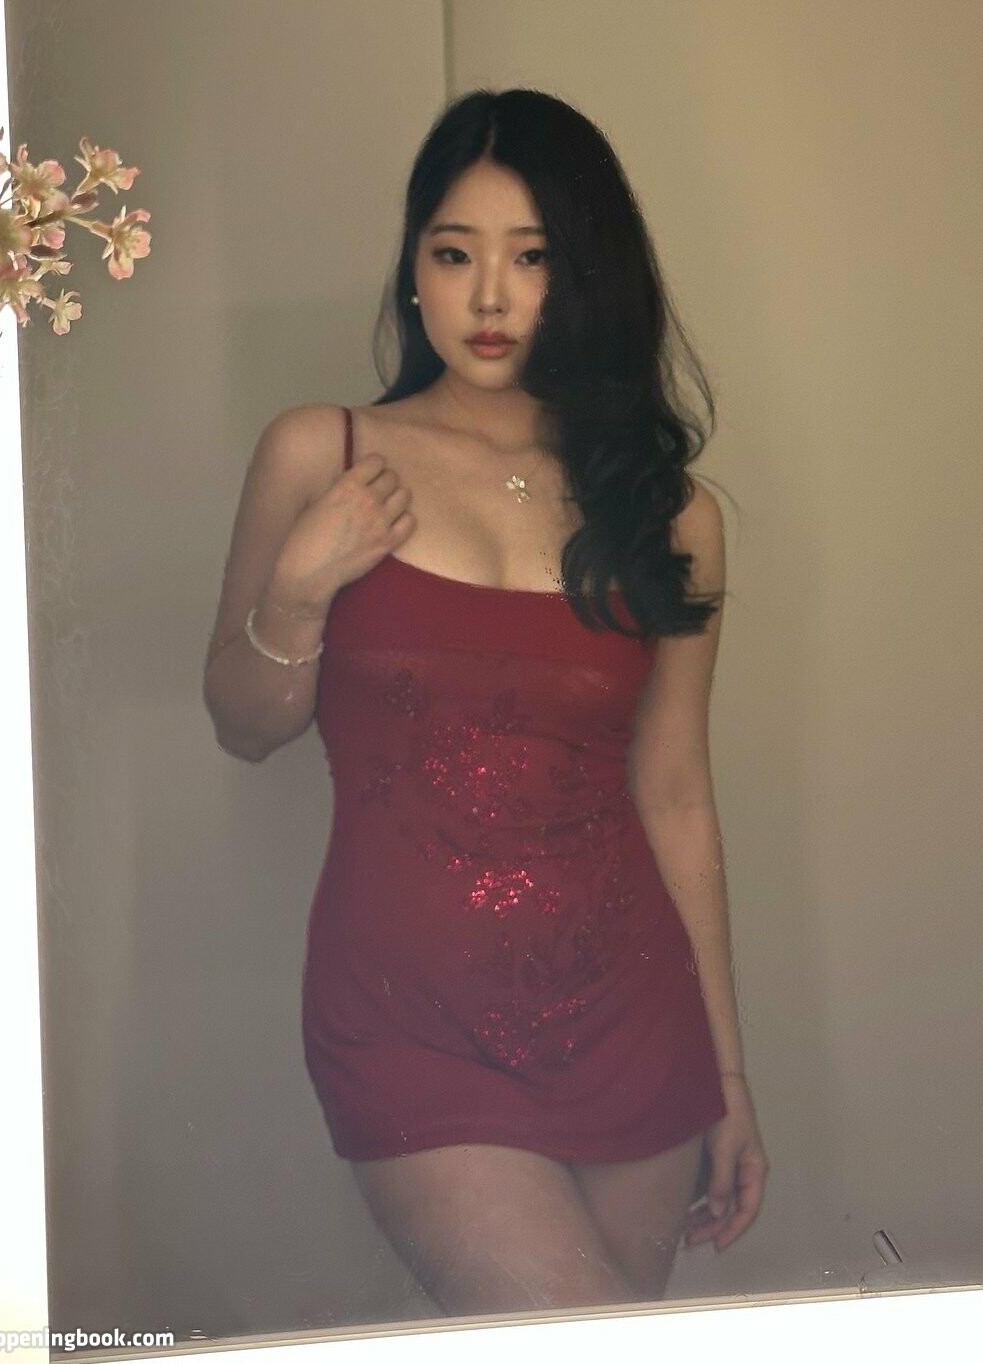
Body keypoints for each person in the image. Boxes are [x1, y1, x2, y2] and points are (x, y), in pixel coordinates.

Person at [203, 88, 767, 1317]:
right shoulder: (321, 453)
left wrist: (726, 1075)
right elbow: (243, 723)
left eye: (532, 257)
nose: (490, 296)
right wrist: (299, 587)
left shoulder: (669, 513)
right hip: (405, 1019)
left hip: (634, 1022)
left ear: (585, 274)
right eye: (454, 254)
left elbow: (674, 793)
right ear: (413, 271)